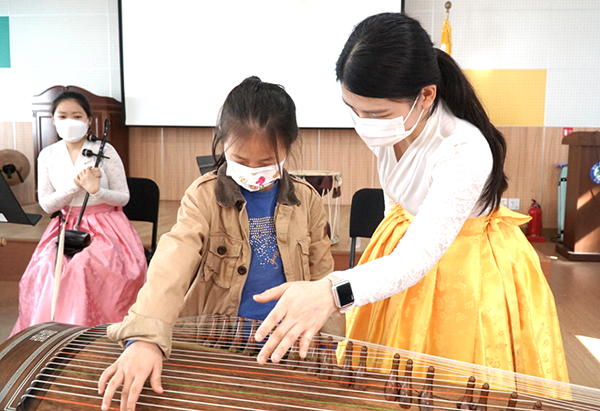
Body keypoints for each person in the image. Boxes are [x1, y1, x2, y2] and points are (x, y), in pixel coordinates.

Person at [254, 12, 569, 383]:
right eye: (353, 110)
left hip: (466, 268)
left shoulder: (463, 148)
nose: (364, 123)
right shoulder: (392, 127)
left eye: (375, 113)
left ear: (426, 95)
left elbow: (419, 257)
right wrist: (380, 270)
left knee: (452, 380)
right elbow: (396, 209)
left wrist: (332, 292)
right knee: (390, 375)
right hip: (403, 254)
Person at [98, 76, 344, 411]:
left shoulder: (307, 200)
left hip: (285, 345)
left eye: (265, 163)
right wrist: (146, 338)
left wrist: (329, 348)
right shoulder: (204, 196)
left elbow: (322, 277)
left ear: (288, 147)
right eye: (241, 160)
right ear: (221, 142)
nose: (253, 172)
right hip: (216, 343)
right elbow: (173, 262)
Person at [11, 91, 147, 335]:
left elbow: (123, 197)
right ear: (53, 119)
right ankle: (50, 335)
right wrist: (77, 185)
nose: (70, 121)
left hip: (107, 226)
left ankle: (89, 335)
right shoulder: (48, 155)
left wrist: (98, 191)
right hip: (65, 225)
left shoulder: (105, 150)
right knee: (45, 267)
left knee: (83, 265)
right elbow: (47, 205)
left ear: (88, 120)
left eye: (77, 115)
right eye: (62, 116)